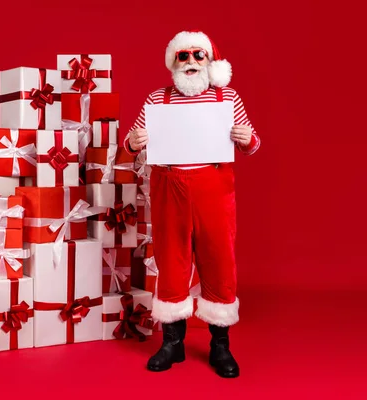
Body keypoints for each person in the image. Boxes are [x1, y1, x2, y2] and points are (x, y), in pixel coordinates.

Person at [124, 30, 261, 377]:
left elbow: (252, 143)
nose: (190, 62)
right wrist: (133, 141)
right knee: (170, 258)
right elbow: (130, 142)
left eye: (198, 56)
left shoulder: (228, 98)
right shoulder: (157, 99)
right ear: (173, 62)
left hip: (214, 187)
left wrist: (248, 139)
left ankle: (220, 345)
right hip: (169, 186)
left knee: (218, 257)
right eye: (183, 56)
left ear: (211, 63)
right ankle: (173, 343)